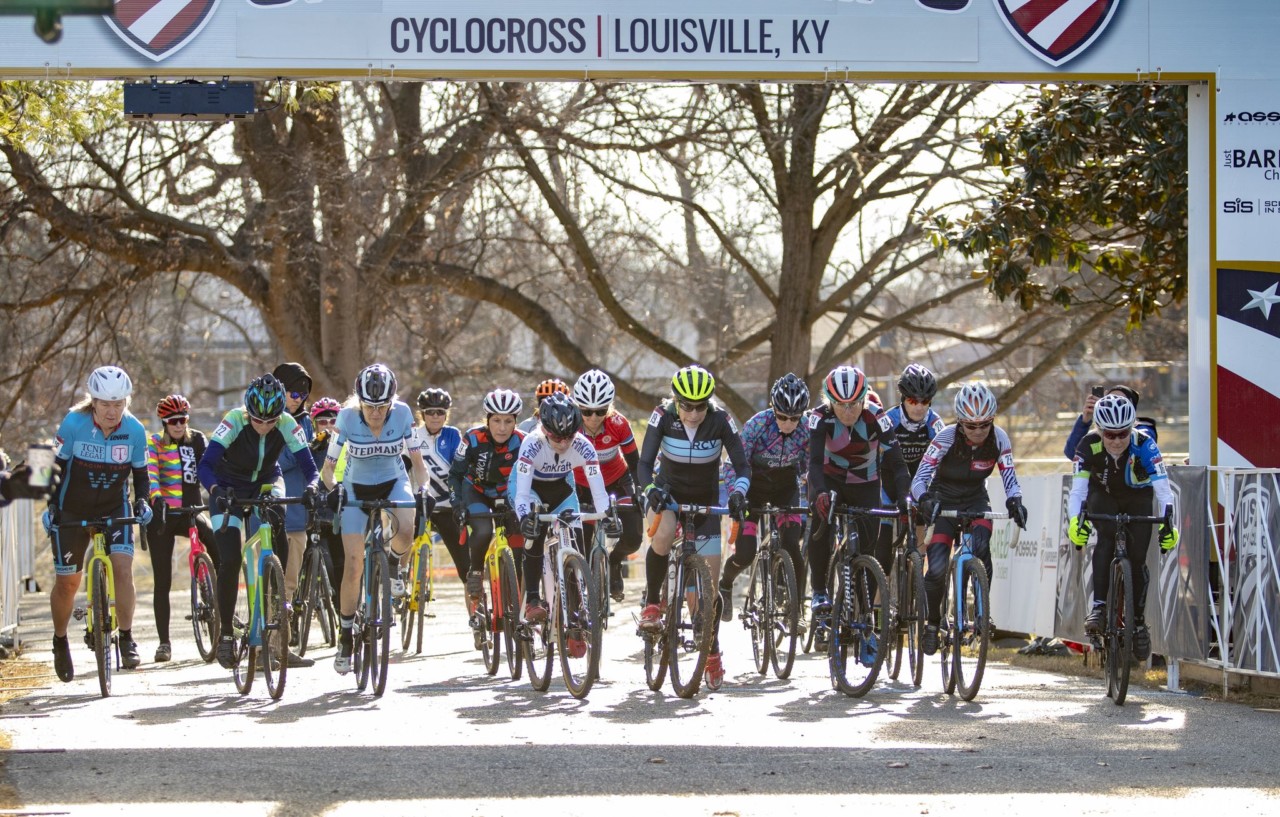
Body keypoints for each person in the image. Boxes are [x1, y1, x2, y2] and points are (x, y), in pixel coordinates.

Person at [637, 364, 750, 688]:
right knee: (661, 533)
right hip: (667, 495)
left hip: (706, 503)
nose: (693, 413)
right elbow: (644, 464)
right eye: (686, 405)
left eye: (700, 406)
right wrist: (650, 490)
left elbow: (741, 464)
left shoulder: (720, 420)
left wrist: (740, 492)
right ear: (676, 400)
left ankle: (711, 649)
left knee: (709, 592)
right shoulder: (663, 416)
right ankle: (653, 603)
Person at [199, 374, 319, 671]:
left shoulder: (288, 423)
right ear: (248, 413)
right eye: (258, 421)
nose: (264, 426)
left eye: (271, 421)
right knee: (229, 558)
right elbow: (205, 464)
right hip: (226, 488)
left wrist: (313, 487)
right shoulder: (234, 420)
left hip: (266, 482)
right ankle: (226, 634)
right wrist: (215, 491)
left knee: (278, 520)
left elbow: (309, 468)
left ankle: (277, 598)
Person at [44, 365, 153, 681]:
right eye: (105, 404)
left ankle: (128, 636)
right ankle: (60, 639)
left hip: (112, 506)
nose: (112, 410)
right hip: (72, 509)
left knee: (122, 566)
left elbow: (141, 475)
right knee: (68, 583)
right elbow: (48, 464)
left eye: (118, 403)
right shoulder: (73, 423)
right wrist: (49, 505)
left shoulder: (133, 430)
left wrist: (143, 501)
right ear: (93, 402)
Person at [319, 364, 429, 675]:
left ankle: (393, 564)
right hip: (356, 486)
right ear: (360, 402)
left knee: (407, 528)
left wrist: (424, 490)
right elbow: (328, 469)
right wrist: (334, 490)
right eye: (370, 406)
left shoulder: (404, 414)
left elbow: (418, 463)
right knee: (353, 564)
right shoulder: (346, 418)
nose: (377, 413)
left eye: (383, 407)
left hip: (394, 480)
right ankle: (345, 635)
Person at [911, 381, 1028, 656]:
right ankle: (932, 623)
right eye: (971, 426)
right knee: (938, 567)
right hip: (944, 501)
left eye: (984, 425)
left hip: (976, 500)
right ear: (960, 422)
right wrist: (925, 499)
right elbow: (919, 480)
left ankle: (981, 610)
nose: (978, 431)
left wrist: (1016, 501)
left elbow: (1011, 479)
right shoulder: (945, 438)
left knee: (981, 545)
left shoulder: (999, 438)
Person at [1067, 394, 1178, 662]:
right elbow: (1078, 490)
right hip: (1102, 495)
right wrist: (1074, 521)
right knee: (1106, 538)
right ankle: (1099, 607)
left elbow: (1164, 491)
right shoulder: (1087, 445)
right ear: (1099, 431)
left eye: (1122, 433)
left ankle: (1138, 624)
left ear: (1132, 428)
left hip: (1137, 499)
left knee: (1138, 559)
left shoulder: (1145, 444)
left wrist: (1167, 525)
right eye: (1110, 434)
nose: (1116, 440)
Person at [806, 365, 911, 622]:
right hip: (830, 482)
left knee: (868, 550)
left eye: (855, 403)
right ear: (829, 401)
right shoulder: (819, 418)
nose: (849, 411)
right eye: (841, 404)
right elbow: (815, 464)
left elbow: (897, 464)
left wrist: (904, 498)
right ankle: (820, 592)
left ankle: (865, 615)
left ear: (864, 398)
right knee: (821, 526)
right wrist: (819, 492)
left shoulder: (877, 417)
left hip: (866, 483)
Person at [511, 393, 616, 634]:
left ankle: (575, 604)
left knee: (576, 540)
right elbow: (522, 495)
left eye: (569, 436)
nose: (563, 443)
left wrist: (607, 515)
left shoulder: (583, 446)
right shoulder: (531, 443)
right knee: (534, 533)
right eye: (557, 437)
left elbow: (599, 492)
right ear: (544, 430)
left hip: (561, 487)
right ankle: (534, 600)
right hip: (530, 488)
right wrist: (526, 518)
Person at [717, 373, 811, 621]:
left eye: (794, 418)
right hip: (753, 489)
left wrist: (814, 492)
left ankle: (796, 608)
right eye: (782, 416)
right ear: (773, 409)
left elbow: (813, 468)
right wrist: (736, 494)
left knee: (792, 546)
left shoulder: (808, 429)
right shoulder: (757, 425)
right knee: (746, 553)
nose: (788, 423)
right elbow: (732, 465)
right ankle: (726, 583)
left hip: (785, 488)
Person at [449, 388, 527, 638]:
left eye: (508, 421)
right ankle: (475, 572)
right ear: (487, 420)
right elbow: (456, 475)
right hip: (477, 491)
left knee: (520, 545)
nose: (502, 427)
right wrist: (457, 504)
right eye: (496, 420)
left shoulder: (524, 441)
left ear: (515, 421)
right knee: (482, 530)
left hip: (509, 493)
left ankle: (521, 600)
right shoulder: (471, 439)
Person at [144, 394, 215, 663]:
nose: (178, 424)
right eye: (173, 420)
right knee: (163, 580)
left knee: (215, 541)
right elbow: (151, 474)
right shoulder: (155, 443)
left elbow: (209, 468)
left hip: (190, 511)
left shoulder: (197, 440)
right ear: (164, 421)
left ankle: (221, 599)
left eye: (183, 419)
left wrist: (218, 491)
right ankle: (164, 643)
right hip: (163, 514)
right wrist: (157, 497)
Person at [570, 369, 642, 601]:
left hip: (616, 483)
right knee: (582, 543)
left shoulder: (619, 424)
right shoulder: (570, 425)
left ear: (609, 407)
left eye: (600, 411)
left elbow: (635, 462)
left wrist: (640, 490)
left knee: (633, 537)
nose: (592, 418)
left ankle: (614, 561)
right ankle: (582, 598)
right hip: (582, 486)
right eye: (586, 411)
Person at [873, 364, 946, 573]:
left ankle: (916, 589)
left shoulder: (934, 423)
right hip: (887, 479)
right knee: (883, 549)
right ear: (903, 399)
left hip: (918, 479)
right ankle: (879, 605)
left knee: (923, 526)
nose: (919, 407)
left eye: (925, 401)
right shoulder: (890, 420)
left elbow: (941, 462)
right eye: (913, 400)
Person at [272, 363, 315, 633]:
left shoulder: (305, 423)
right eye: (292, 394)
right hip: (268, 509)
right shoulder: (264, 418)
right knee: (267, 583)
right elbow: (277, 460)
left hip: (297, 513)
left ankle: (281, 645)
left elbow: (310, 466)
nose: (297, 401)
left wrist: (315, 450)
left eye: (302, 396)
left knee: (289, 583)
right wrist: (300, 451)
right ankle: (265, 644)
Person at [410, 388, 468, 584]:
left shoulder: (452, 435)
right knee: (402, 541)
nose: (435, 416)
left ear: (446, 414)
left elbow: (460, 469)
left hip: (446, 507)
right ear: (422, 414)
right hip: (418, 505)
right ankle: (399, 578)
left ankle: (475, 611)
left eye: (440, 412)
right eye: (430, 412)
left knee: (466, 568)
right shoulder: (412, 435)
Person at [308, 397, 345, 589]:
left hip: (340, 514)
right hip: (315, 514)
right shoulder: (309, 448)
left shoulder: (349, 447)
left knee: (341, 564)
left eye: (333, 421)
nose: (328, 426)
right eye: (323, 422)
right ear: (314, 424)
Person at [1063, 384, 1157, 460]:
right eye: (1110, 399)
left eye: (1120, 402)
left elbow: (1142, 445)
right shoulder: (1099, 432)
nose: (1114, 404)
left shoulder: (1144, 428)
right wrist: (1085, 421)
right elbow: (1072, 453)